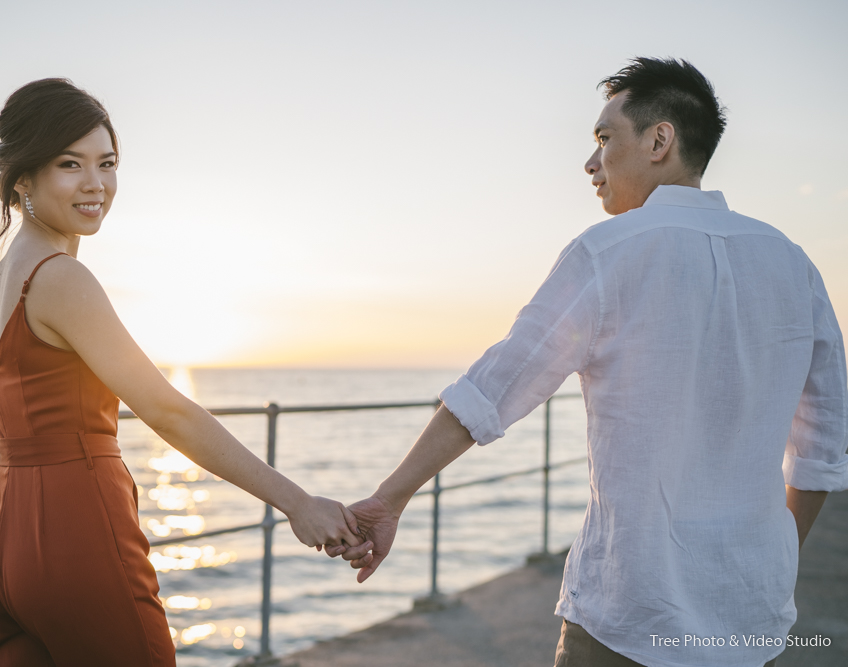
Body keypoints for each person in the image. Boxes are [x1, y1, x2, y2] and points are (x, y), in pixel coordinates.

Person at [331, 58, 848, 667]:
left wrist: (389, 499)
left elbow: (492, 390)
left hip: (627, 619)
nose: (591, 161)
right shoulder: (795, 265)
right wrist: (775, 555)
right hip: (750, 620)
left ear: (660, 140)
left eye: (605, 138)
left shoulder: (605, 254)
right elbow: (822, 450)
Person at [0, 78, 368, 667]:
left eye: (107, 163)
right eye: (69, 164)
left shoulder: (2, 280)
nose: (96, 184)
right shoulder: (60, 278)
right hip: (77, 531)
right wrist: (297, 502)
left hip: (7, 539)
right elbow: (167, 409)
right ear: (22, 177)